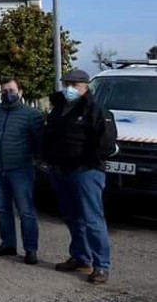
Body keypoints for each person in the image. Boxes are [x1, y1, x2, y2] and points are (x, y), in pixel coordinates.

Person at [43, 69, 117, 285]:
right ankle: (80, 257)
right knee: (72, 217)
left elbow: (106, 144)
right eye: (67, 83)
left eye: (75, 84)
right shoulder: (58, 109)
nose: (70, 88)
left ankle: (101, 266)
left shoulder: (96, 110)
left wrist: (84, 159)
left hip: (86, 172)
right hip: (60, 171)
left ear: (86, 86)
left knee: (92, 220)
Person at [0, 78, 43, 265]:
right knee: (3, 209)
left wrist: (38, 161)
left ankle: (30, 249)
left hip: (21, 170)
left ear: (20, 92)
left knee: (26, 211)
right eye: (3, 91)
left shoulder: (32, 114)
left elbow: (39, 142)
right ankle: (8, 243)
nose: (7, 94)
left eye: (11, 90)